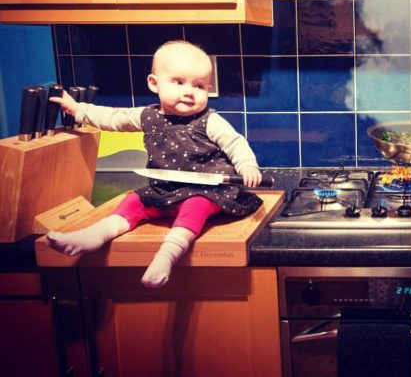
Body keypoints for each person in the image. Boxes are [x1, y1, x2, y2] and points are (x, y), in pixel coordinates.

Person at [46, 40, 264, 288]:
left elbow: (235, 143)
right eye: (178, 82)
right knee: (133, 201)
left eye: (199, 85)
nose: (189, 91)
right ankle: (94, 236)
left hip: (207, 190)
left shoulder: (210, 121)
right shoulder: (146, 116)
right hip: (163, 190)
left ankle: (167, 256)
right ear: (154, 83)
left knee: (196, 206)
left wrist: (248, 166)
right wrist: (77, 109)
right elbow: (112, 118)